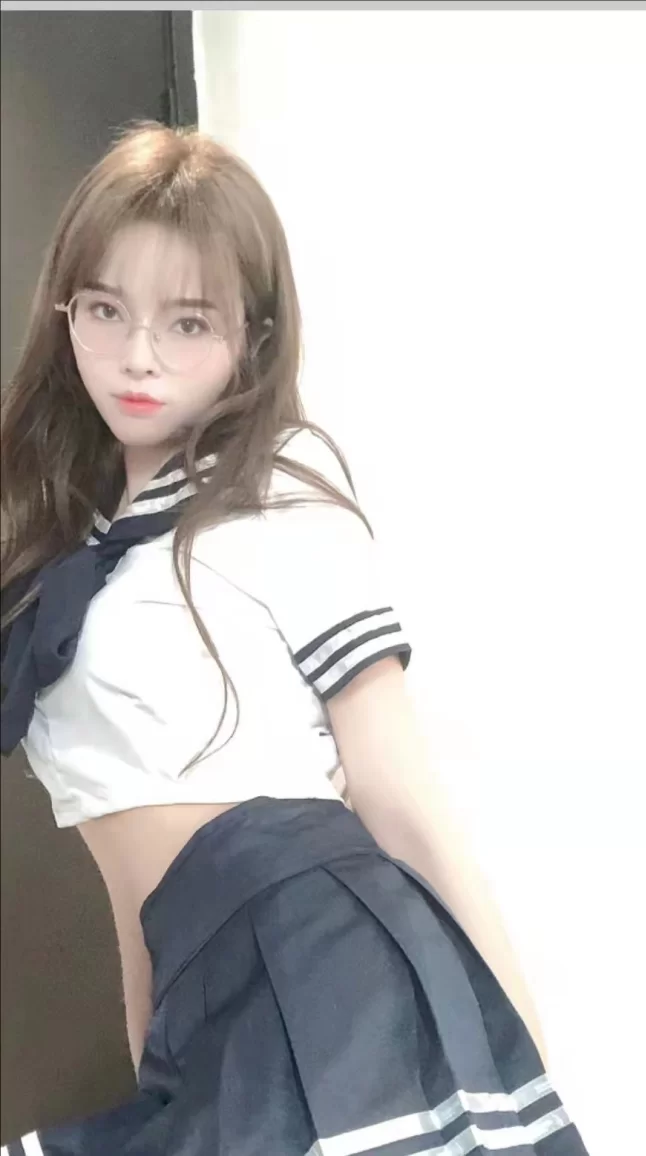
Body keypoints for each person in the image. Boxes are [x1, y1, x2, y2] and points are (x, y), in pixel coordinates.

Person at [0, 122, 589, 1156]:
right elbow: (131, 884)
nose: (137, 356)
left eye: (188, 322)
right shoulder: (65, 543)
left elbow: (399, 797)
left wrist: (525, 1070)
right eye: (105, 309)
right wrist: (158, 1055)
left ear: (253, 336)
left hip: (324, 971)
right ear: (65, 312)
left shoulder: (278, 497)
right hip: (205, 993)